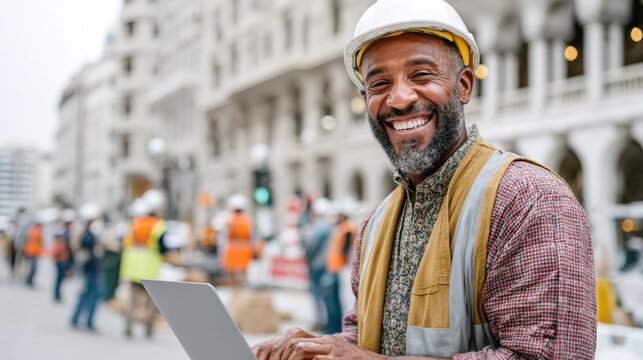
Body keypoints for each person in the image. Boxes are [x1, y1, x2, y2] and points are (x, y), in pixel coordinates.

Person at [252, 0, 596, 359]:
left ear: (463, 85)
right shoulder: (376, 223)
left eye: (421, 75)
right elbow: (370, 340)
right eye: (380, 83)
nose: (399, 99)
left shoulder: (528, 199)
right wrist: (315, 348)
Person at [119, 191, 174, 338]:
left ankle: (128, 326)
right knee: (151, 299)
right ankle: (149, 328)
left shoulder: (134, 223)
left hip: (133, 267)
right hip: (149, 268)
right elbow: (163, 247)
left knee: (133, 297)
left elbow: (125, 243)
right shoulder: (159, 225)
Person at [320, 200, 357, 334]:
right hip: (337, 269)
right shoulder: (344, 226)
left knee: (339, 302)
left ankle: (337, 329)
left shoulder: (348, 227)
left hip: (341, 270)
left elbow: (346, 250)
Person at [302, 197, 336, 332]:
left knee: (318, 294)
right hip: (328, 264)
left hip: (317, 265)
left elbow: (311, 247)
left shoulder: (319, 227)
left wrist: (306, 257)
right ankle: (326, 321)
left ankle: (321, 321)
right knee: (327, 295)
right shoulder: (331, 225)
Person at [70, 203, 103, 331]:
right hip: (91, 270)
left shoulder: (85, 233)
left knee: (85, 295)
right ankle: (86, 321)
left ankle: (77, 319)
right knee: (90, 295)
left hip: (89, 269)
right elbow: (91, 252)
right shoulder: (88, 235)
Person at [222, 194, 254, 285]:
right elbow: (251, 235)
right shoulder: (247, 220)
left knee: (231, 272)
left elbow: (225, 235)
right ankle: (242, 285)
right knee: (243, 272)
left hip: (232, 248)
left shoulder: (230, 220)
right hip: (244, 248)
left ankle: (233, 286)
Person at [52, 209, 75, 302]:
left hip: (61, 257)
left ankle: (57, 293)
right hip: (62, 257)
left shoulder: (62, 230)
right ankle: (57, 294)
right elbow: (67, 246)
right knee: (60, 276)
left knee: (60, 276)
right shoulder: (64, 231)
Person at [23, 218, 43, 287]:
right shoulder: (35, 230)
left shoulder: (34, 230)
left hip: (34, 251)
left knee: (32, 267)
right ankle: (29, 280)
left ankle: (29, 280)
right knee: (33, 267)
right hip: (32, 251)